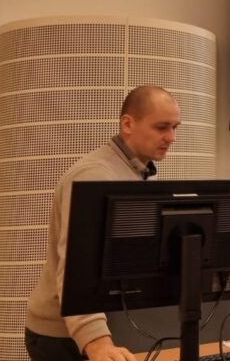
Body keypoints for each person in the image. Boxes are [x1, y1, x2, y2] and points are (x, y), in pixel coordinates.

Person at [25, 86, 181, 361]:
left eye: (174, 127)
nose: (171, 137)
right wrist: (96, 342)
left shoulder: (139, 173)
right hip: (64, 338)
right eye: (161, 127)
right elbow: (77, 267)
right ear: (127, 124)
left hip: (109, 327)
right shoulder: (95, 175)